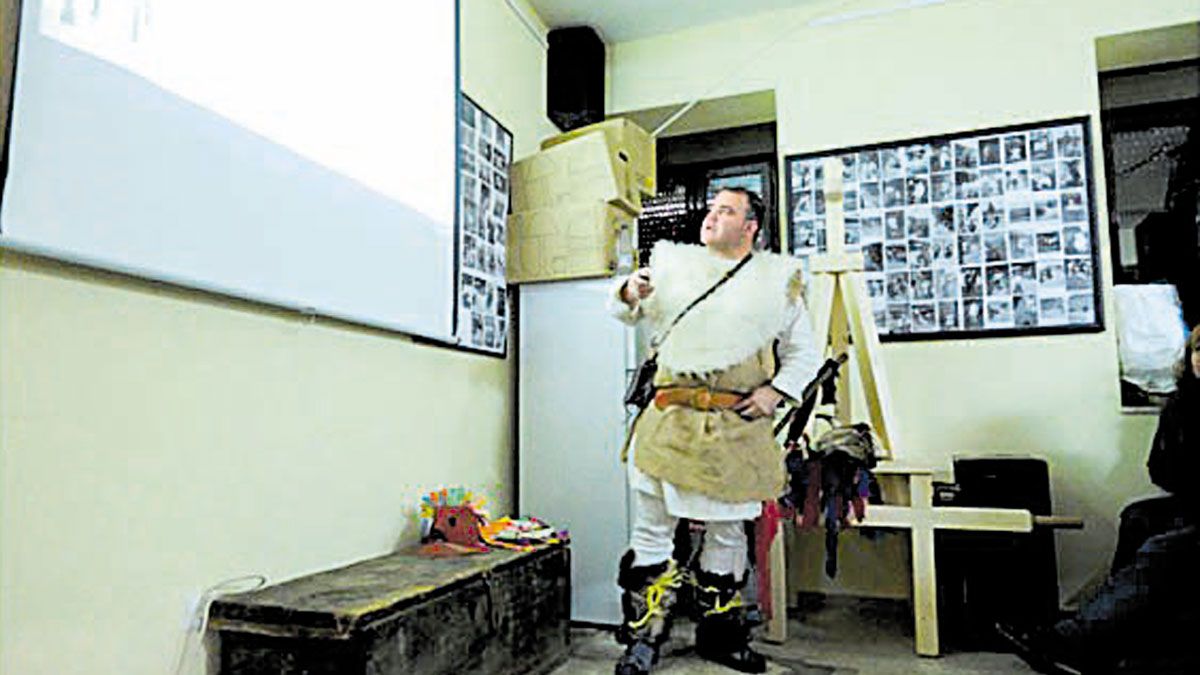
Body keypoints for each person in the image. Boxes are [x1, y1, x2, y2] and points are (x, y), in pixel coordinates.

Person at [607, 188, 821, 675]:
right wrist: (629, 290)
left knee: (727, 534)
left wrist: (775, 392)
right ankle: (644, 639)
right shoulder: (673, 268)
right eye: (711, 209)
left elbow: (803, 353)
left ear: (750, 227)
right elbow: (623, 308)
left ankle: (720, 637)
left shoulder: (777, 283)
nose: (712, 217)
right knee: (652, 529)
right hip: (669, 422)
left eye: (726, 211)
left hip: (735, 429)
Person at [997, 325, 1200, 674]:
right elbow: (1160, 468)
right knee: (1136, 517)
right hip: (1193, 500)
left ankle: (1075, 640)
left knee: (1163, 548)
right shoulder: (1182, 404)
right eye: (1198, 350)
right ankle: (1115, 638)